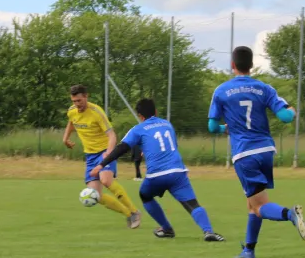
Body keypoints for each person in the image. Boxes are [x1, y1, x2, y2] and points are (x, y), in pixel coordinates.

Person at [208, 45, 305, 258]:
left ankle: (290, 214)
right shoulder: (264, 88)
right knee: (252, 204)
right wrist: (292, 110)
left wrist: (225, 128)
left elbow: (211, 126)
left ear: (232, 65)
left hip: (244, 153)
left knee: (260, 204)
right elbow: (284, 117)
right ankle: (249, 250)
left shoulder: (221, 91)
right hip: (265, 150)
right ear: (252, 66)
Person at [90, 98, 225, 241]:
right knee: (192, 203)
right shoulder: (167, 124)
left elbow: (121, 148)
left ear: (140, 116)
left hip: (157, 174)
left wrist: (101, 165)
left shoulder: (138, 129)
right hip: (177, 172)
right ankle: (208, 231)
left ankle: (167, 229)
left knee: (145, 195)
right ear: (155, 111)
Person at [63, 84, 142, 228]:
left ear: (86, 96)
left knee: (106, 180)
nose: (76, 104)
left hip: (104, 151)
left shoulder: (96, 112)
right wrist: (65, 138)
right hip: (90, 156)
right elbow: (71, 122)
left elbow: (112, 135)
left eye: (79, 101)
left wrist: (109, 152)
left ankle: (135, 211)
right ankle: (129, 214)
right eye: (74, 101)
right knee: (95, 195)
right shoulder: (72, 111)